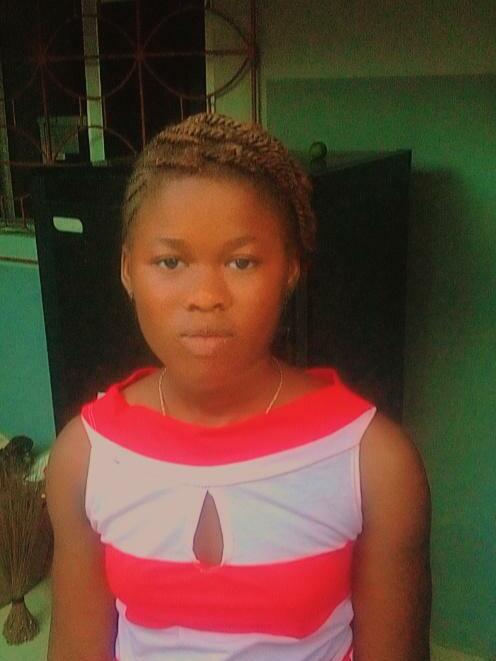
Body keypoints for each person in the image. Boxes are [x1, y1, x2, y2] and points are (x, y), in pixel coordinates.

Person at [45, 112, 431, 660]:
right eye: (170, 261)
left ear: (291, 268)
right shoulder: (85, 458)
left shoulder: (373, 463)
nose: (206, 296)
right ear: (128, 269)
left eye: (242, 262)